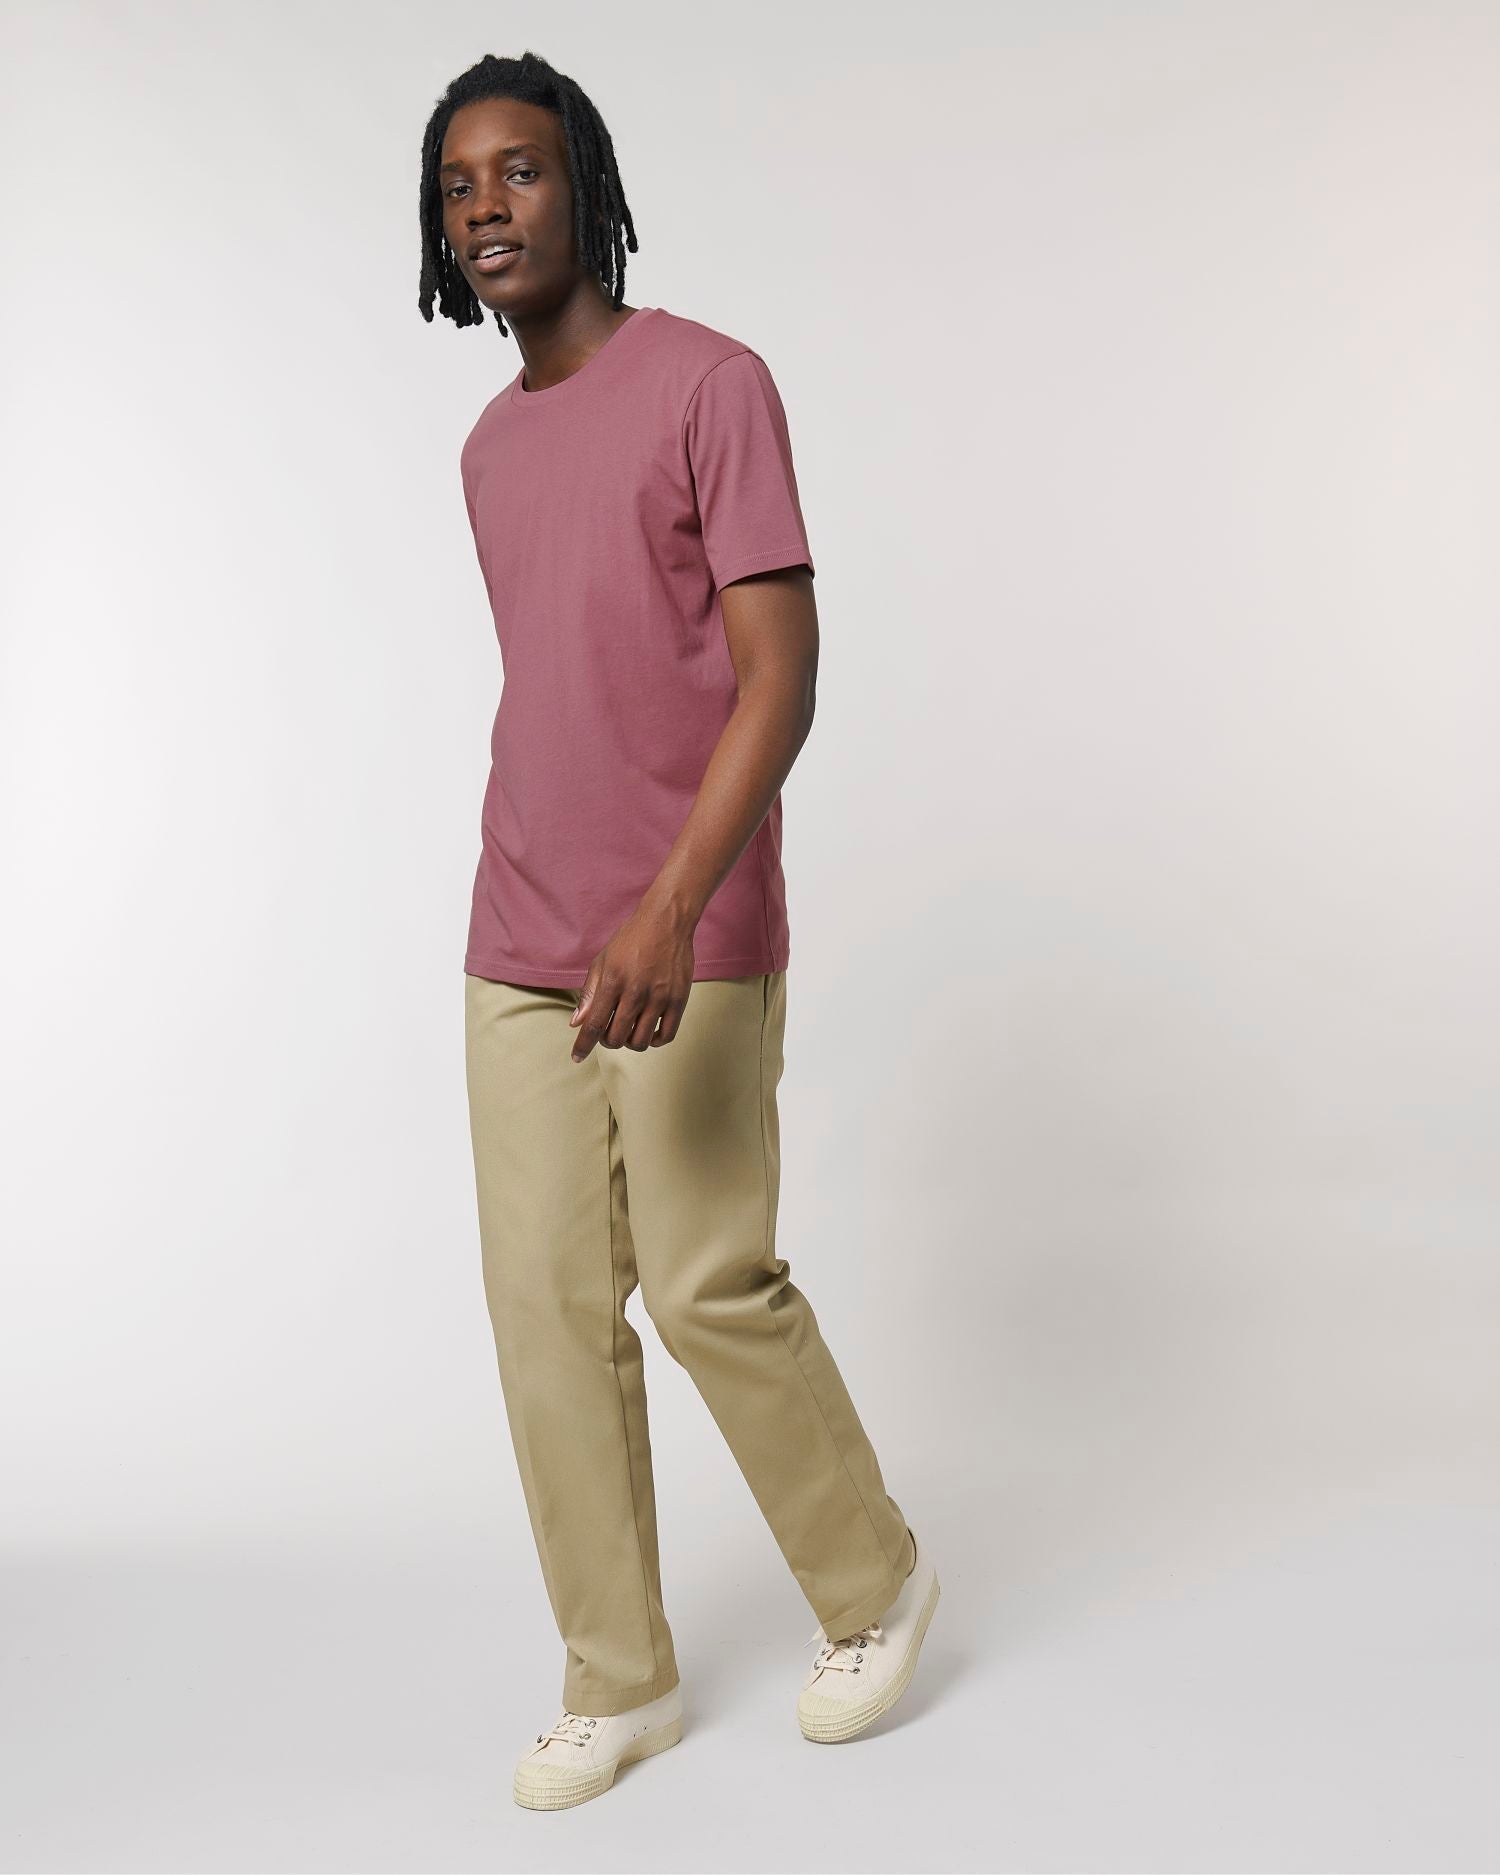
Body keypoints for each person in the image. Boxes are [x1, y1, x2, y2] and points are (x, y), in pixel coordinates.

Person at [418, 49, 940, 1811]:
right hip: (519, 931)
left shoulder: (712, 384)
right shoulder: (490, 449)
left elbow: (780, 676)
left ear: (589, 186)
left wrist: (667, 905)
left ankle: (876, 1586)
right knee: (545, 1307)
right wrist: (563, 906)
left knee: (710, 1282)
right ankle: (618, 1677)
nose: (488, 208)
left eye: (521, 171)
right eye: (458, 186)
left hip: (687, 924)